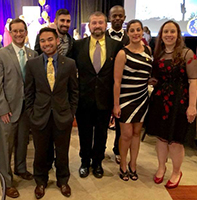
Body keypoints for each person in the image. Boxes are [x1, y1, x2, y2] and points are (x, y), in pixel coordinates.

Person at [25, 27, 78, 199]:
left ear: (56, 41)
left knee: (62, 152)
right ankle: (40, 181)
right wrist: (32, 114)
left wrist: (71, 113)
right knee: (40, 152)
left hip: (63, 116)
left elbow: (74, 92)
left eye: (49, 39)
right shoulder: (32, 64)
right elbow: (29, 93)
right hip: (40, 116)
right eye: (42, 41)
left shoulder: (69, 63)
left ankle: (63, 181)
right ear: (39, 43)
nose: (46, 43)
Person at [146, 20, 197, 188]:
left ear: (178, 35)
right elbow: (158, 77)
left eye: (172, 32)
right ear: (161, 35)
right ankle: (161, 168)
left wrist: (192, 106)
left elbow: (192, 81)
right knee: (161, 139)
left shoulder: (187, 54)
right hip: (160, 101)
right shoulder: (158, 54)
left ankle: (176, 172)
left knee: (175, 141)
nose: (169, 35)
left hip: (179, 103)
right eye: (165, 31)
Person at [73, 11, 122, 179]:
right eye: (94, 23)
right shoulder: (78, 45)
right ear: (89, 25)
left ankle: (98, 162)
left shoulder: (116, 46)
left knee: (102, 133)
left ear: (105, 24)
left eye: (100, 22)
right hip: (83, 99)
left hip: (105, 99)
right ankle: (85, 162)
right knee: (84, 133)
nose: (97, 26)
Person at [0, 18, 38, 198]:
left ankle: (20, 169)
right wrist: (2, 108)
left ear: (26, 32)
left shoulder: (33, 54)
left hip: (27, 108)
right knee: (5, 146)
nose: (19, 34)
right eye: (15, 31)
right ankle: (6, 182)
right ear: (10, 32)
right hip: (7, 109)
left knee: (23, 141)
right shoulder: (2, 54)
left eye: (21, 30)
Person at [113, 19, 152, 181]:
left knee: (137, 133)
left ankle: (133, 165)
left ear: (142, 31)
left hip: (142, 98)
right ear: (127, 33)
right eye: (132, 30)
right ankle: (123, 164)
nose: (136, 33)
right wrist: (116, 104)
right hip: (126, 99)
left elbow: (147, 73)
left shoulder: (148, 50)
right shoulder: (123, 53)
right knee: (127, 134)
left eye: (138, 30)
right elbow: (117, 81)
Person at [106, 5, 129, 165]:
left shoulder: (130, 38)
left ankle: (118, 150)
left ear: (124, 17)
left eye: (120, 16)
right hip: (103, 86)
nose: (117, 18)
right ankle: (98, 151)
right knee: (100, 122)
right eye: (114, 16)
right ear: (109, 17)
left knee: (121, 122)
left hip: (124, 88)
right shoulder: (101, 36)